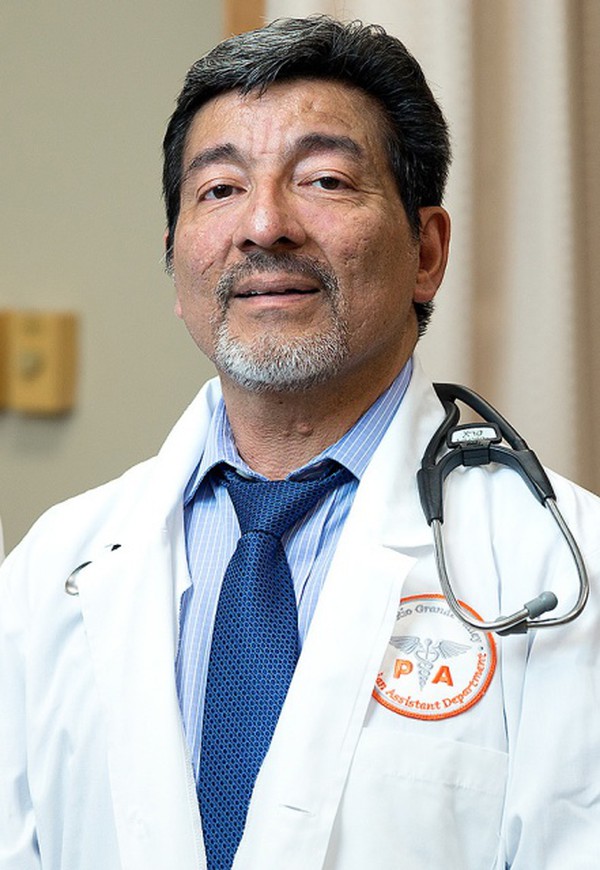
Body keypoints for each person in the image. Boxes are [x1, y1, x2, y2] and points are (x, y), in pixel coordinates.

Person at [1, 15, 600, 870]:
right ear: (175, 260)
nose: (263, 225)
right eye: (218, 190)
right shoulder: (50, 574)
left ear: (427, 251)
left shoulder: (559, 572)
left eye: (323, 179)